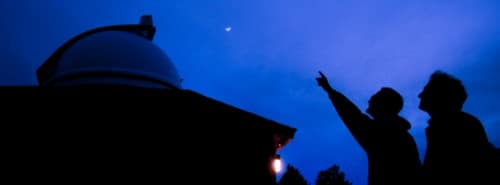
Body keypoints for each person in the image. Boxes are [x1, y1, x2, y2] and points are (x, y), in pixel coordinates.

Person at [316, 71, 421, 185]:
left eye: (376, 97)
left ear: (384, 105)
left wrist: (330, 90)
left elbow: (352, 115)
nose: (371, 99)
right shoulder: (404, 136)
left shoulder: (381, 133)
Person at [418, 71, 492, 184]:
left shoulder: (458, 126)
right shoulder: (442, 126)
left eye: (426, 91)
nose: (420, 95)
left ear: (440, 96)